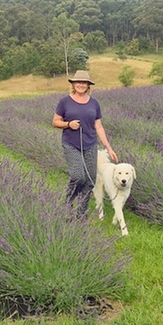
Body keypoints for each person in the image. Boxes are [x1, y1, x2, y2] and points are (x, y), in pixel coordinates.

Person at [52, 69, 118, 217]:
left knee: (90, 180)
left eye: (84, 83)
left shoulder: (94, 103)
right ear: (73, 84)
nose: (81, 85)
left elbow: (98, 126)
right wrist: (68, 124)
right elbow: (55, 122)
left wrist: (108, 147)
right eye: (78, 82)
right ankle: (68, 204)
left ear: (88, 85)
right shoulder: (64, 102)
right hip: (71, 144)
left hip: (90, 144)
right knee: (78, 176)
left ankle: (81, 214)